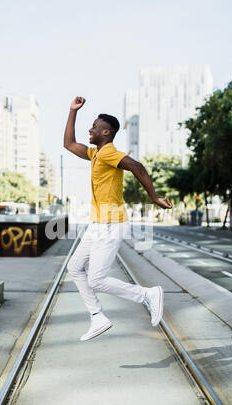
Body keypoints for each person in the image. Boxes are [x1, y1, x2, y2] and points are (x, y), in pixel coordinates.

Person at [64, 96, 172, 341]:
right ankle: (97, 317)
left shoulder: (109, 153)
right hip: (98, 224)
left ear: (106, 132)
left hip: (111, 223)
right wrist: (73, 111)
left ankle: (147, 295)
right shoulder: (95, 154)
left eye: (94, 126)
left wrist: (153, 197)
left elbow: (138, 166)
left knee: (97, 279)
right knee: (74, 267)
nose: (89, 129)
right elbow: (69, 143)